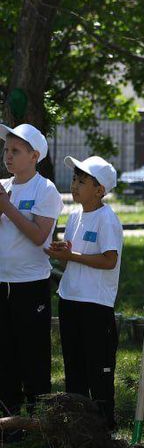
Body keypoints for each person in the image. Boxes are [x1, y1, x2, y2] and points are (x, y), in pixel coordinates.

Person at [49, 156, 124, 428]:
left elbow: (109, 260)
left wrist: (74, 256)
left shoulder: (107, 219)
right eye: (74, 180)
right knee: (74, 363)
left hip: (95, 304)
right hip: (69, 298)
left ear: (100, 189)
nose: (75, 186)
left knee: (99, 366)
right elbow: (72, 257)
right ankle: (77, 422)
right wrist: (60, 253)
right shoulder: (74, 216)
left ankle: (104, 423)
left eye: (83, 181)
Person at [0, 123, 63, 417]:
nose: (7, 156)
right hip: (3, 281)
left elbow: (40, 237)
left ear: (34, 155)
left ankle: (38, 416)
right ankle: (8, 416)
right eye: (5, 149)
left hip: (30, 283)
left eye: (15, 150)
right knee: (5, 351)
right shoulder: (6, 187)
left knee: (32, 352)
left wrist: (7, 207)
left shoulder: (45, 189)